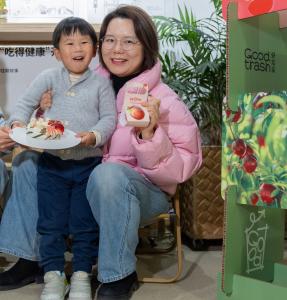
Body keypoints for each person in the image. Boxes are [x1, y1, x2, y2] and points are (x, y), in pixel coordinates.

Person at [0, 5, 202, 300]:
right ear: (100, 45)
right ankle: (31, 258)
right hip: (79, 178)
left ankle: (118, 272)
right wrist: (42, 115)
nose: (117, 49)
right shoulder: (83, 82)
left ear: (146, 46)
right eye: (110, 39)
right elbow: (60, 128)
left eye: (129, 41)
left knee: (107, 175)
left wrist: (149, 134)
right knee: (29, 161)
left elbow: (183, 167)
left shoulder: (162, 99)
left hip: (136, 193)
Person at [9, 16, 116, 300]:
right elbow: (23, 105)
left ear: (94, 49)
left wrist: (93, 135)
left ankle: (81, 274)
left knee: (84, 223)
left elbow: (109, 119)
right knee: (50, 223)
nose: (77, 48)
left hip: (88, 166)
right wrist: (18, 123)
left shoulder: (101, 85)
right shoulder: (48, 78)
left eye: (84, 42)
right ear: (57, 52)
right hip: (52, 165)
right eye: (69, 43)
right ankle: (53, 275)